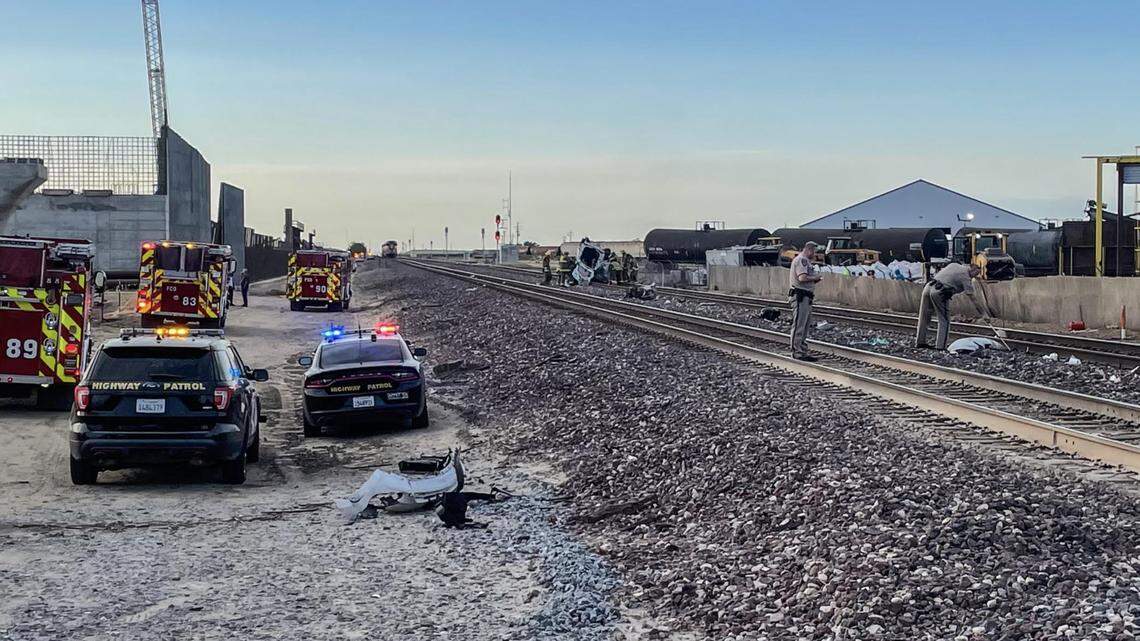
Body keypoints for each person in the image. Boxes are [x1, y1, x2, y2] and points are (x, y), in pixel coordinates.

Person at [915, 262, 988, 350]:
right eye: (976, 274)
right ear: (972, 270)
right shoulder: (965, 277)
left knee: (924, 317)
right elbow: (973, 299)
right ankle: (941, 346)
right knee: (944, 320)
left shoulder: (954, 265)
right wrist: (984, 314)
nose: (974, 277)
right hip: (940, 291)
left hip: (928, 287)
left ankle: (920, 342)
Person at [789, 242, 823, 361]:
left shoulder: (806, 262)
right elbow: (802, 277)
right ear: (809, 250)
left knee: (805, 325)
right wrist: (815, 278)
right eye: (814, 251)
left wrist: (814, 280)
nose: (815, 254)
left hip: (806, 297)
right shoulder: (801, 260)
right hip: (800, 296)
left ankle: (802, 351)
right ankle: (796, 352)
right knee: (799, 325)